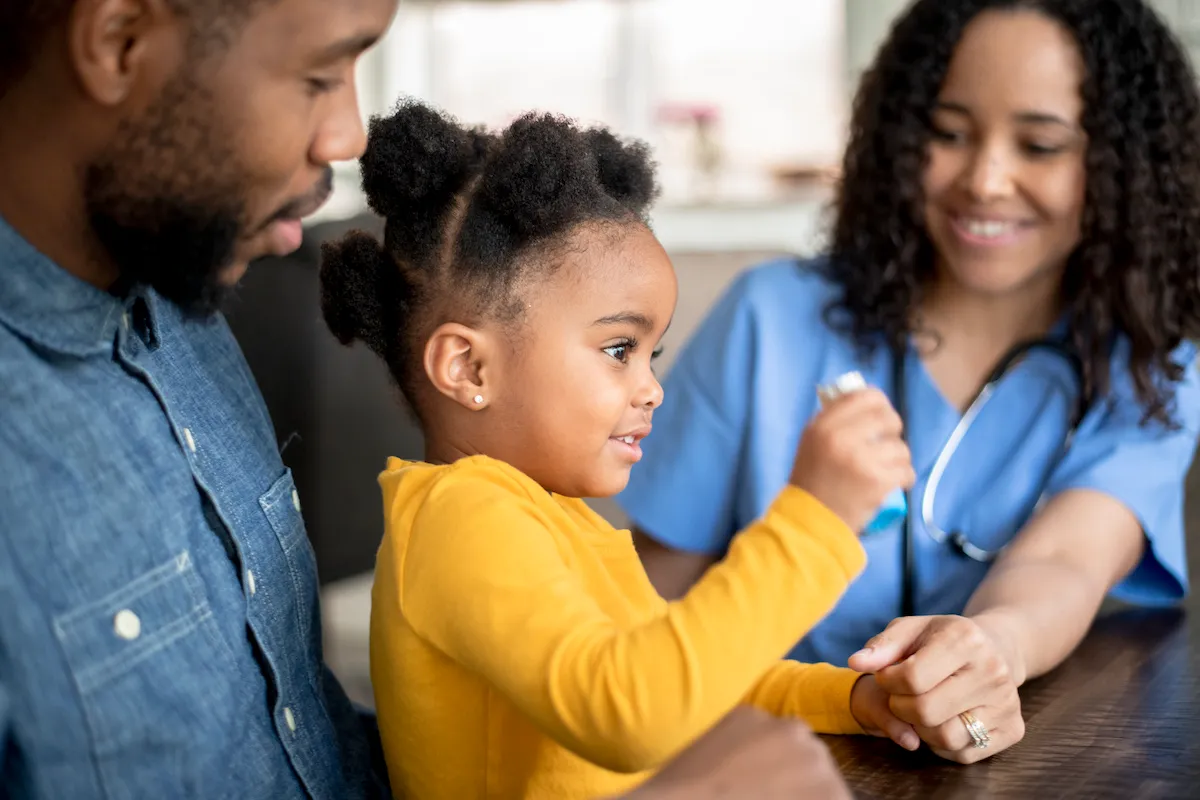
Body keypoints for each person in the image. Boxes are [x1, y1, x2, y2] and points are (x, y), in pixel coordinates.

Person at [618, 0, 1200, 766]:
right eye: (948, 132)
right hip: (746, 749)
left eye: (1040, 144)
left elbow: (1065, 561)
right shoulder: (771, 319)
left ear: (1125, 166)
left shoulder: (1150, 365)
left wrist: (988, 650)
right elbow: (643, 605)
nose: (987, 179)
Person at [317, 100, 917, 800]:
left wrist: (851, 699)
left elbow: (692, 672)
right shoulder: (460, 519)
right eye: (617, 350)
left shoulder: (549, 514)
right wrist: (812, 522)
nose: (652, 389)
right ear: (469, 369)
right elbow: (628, 707)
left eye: (650, 354)